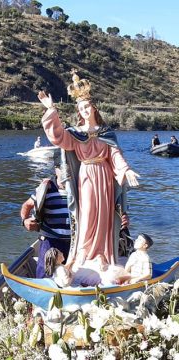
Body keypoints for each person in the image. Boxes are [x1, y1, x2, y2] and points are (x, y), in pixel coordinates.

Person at [38, 69, 140, 270]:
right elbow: (58, 137)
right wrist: (51, 110)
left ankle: (103, 254)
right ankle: (84, 255)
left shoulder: (106, 133)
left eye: (87, 106)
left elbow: (115, 155)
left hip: (105, 176)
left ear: (94, 108)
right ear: (79, 111)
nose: (85, 109)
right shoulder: (75, 134)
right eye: (81, 107)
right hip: (86, 176)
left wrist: (125, 170)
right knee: (87, 215)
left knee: (104, 215)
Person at [21, 164, 71, 278]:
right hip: (51, 241)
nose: (66, 171)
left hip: (75, 243)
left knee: (73, 277)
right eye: (62, 168)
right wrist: (25, 221)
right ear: (56, 170)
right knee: (46, 276)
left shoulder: (79, 188)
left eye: (69, 167)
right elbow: (27, 205)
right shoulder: (47, 187)